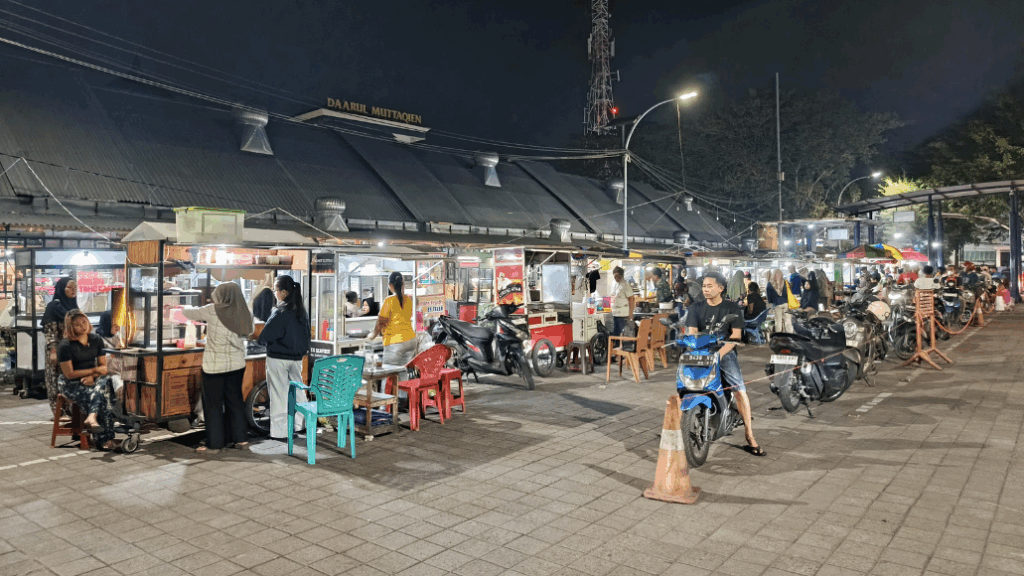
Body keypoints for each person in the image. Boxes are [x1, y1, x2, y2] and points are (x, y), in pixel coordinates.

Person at [684, 273, 763, 456]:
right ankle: (685, 424)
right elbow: (692, 333)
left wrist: (718, 355)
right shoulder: (696, 308)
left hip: (725, 352)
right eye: (704, 286)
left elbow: (735, 337)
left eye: (710, 286)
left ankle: (750, 436)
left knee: (739, 390)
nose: (705, 289)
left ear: (720, 288)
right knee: (687, 386)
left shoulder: (731, 307)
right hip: (703, 352)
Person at [183, 283, 254, 454]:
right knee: (235, 403)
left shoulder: (213, 310)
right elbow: (249, 332)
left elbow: (189, 313)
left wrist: (177, 308)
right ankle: (241, 440)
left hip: (214, 367)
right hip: (237, 365)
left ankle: (215, 445)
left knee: (213, 406)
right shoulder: (245, 313)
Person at [258, 275, 311, 440]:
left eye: (275, 290)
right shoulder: (301, 311)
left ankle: (280, 432)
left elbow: (266, 335)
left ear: (284, 292)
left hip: (278, 359)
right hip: (297, 359)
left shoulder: (280, 311)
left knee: (279, 394)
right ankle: (301, 425)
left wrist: (261, 341)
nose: (274, 293)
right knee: (299, 391)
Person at [57, 310, 119, 451]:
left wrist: (93, 377)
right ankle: (105, 440)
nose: (82, 326)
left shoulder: (96, 339)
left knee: (106, 381)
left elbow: (103, 368)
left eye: (84, 322)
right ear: (71, 327)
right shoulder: (65, 345)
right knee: (104, 395)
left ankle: (92, 417)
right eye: (77, 325)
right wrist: (94, 371)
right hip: (70, 383)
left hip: (92, 380)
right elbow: (69, 374)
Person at [42, 277, 78, 411]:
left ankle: (70, 410)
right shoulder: (54, 307)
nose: (73, 290)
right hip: (57, 349)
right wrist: (53, 350)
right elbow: (49, 330)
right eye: (70, 287)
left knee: (69, 379)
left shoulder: (74, 307)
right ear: (61, 289)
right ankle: (58, 411)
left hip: (72, 350)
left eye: (75, 288)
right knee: (54, 379)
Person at [370, 271, 417, 367]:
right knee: (403, 371)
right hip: (411, 341)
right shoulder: (408, 300)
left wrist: (372, 335)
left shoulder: (389, 300)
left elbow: (381, 321)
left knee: (388, 372)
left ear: (390, 285)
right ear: (402, 284)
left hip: (395, 342)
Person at [610, 266, 635, 336]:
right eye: (615, 277)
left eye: (619, 277)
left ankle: (619, 343)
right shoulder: (614, 283)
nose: (617, 278)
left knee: (620, 333)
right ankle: (616, 343)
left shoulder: (626, 285)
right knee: (616, 333)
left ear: (622, 276)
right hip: (615, 313)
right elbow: (612, 295)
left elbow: (632, 299)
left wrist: (630, 314)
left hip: (623, 314)